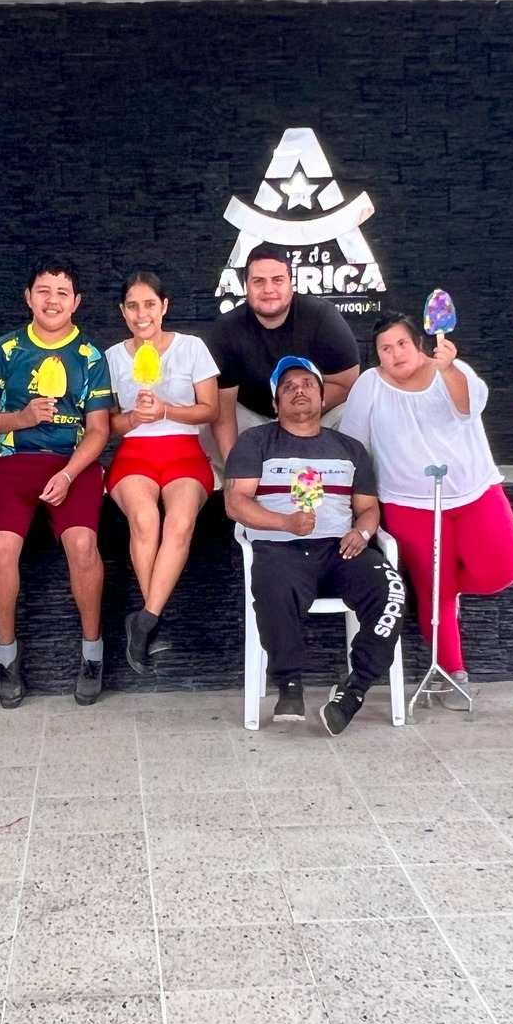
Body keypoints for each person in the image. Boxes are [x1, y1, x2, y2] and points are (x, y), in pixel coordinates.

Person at [341, 313, 513, 706]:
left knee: (503, 569)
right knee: (432, 591)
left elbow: (469, 407)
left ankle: (446, 591)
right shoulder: (369, 385)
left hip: (474, 492)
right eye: (385, 349)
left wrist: (450, 368)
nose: (395, 354)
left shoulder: (451, 370)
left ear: (418, 344)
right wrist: (357, 505)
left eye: (402, 344)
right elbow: (353, 446)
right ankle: (452, 674)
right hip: (409, 505)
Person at [0, 256, 114, 708]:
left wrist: (68, 473)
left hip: (73, 464)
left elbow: (100, 430)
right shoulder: (7, 348)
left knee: (83, 545)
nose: (52, 300)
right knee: (0, 548)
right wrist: (20, 418)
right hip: (12, 463)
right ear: (28, 297)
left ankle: (92, 654)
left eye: (62, 292)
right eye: (43, 291)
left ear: (76, 302)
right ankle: (6, 658)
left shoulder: (90, 355)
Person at [226, 356, 407, 734]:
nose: (299, 390)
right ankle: (289, 684)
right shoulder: (255, 442)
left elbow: (368, 508)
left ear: (323, 398)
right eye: (288, 387)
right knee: (274, 586)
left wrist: (362, 533)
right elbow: (235, 503)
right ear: (275, 403)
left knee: (391, 591)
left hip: (340, 550)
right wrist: (286, 523)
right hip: (279, 549)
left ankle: (354, 690)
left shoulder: (350, 448)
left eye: (308, 384)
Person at [105, 269, 219, 674]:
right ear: (123, 311)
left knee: (181, 521)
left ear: (164, 306)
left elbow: (210, 409)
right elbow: (108, 424)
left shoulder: (191, 347)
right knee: (144, 519)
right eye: (133, 306)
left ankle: (145, 620)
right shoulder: (112, 357)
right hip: (135, 453)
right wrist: (134, 418)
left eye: (149, 304)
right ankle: (150, 620)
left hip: (185, 451)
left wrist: (166, 410)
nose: (142, 314)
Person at [209, 242, 362, 459]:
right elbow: (224, 410)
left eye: (277, 280)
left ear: (291, 283)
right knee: (206, 420)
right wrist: (234, 467)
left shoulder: (322, 317)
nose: (268, 289)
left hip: (315, 413)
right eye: (258, 281)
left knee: (354, 411)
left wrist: (295, 412)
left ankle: (349, 475)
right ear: (245, 286)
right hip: (254, 419)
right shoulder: (227, 328)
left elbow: (346, 384)